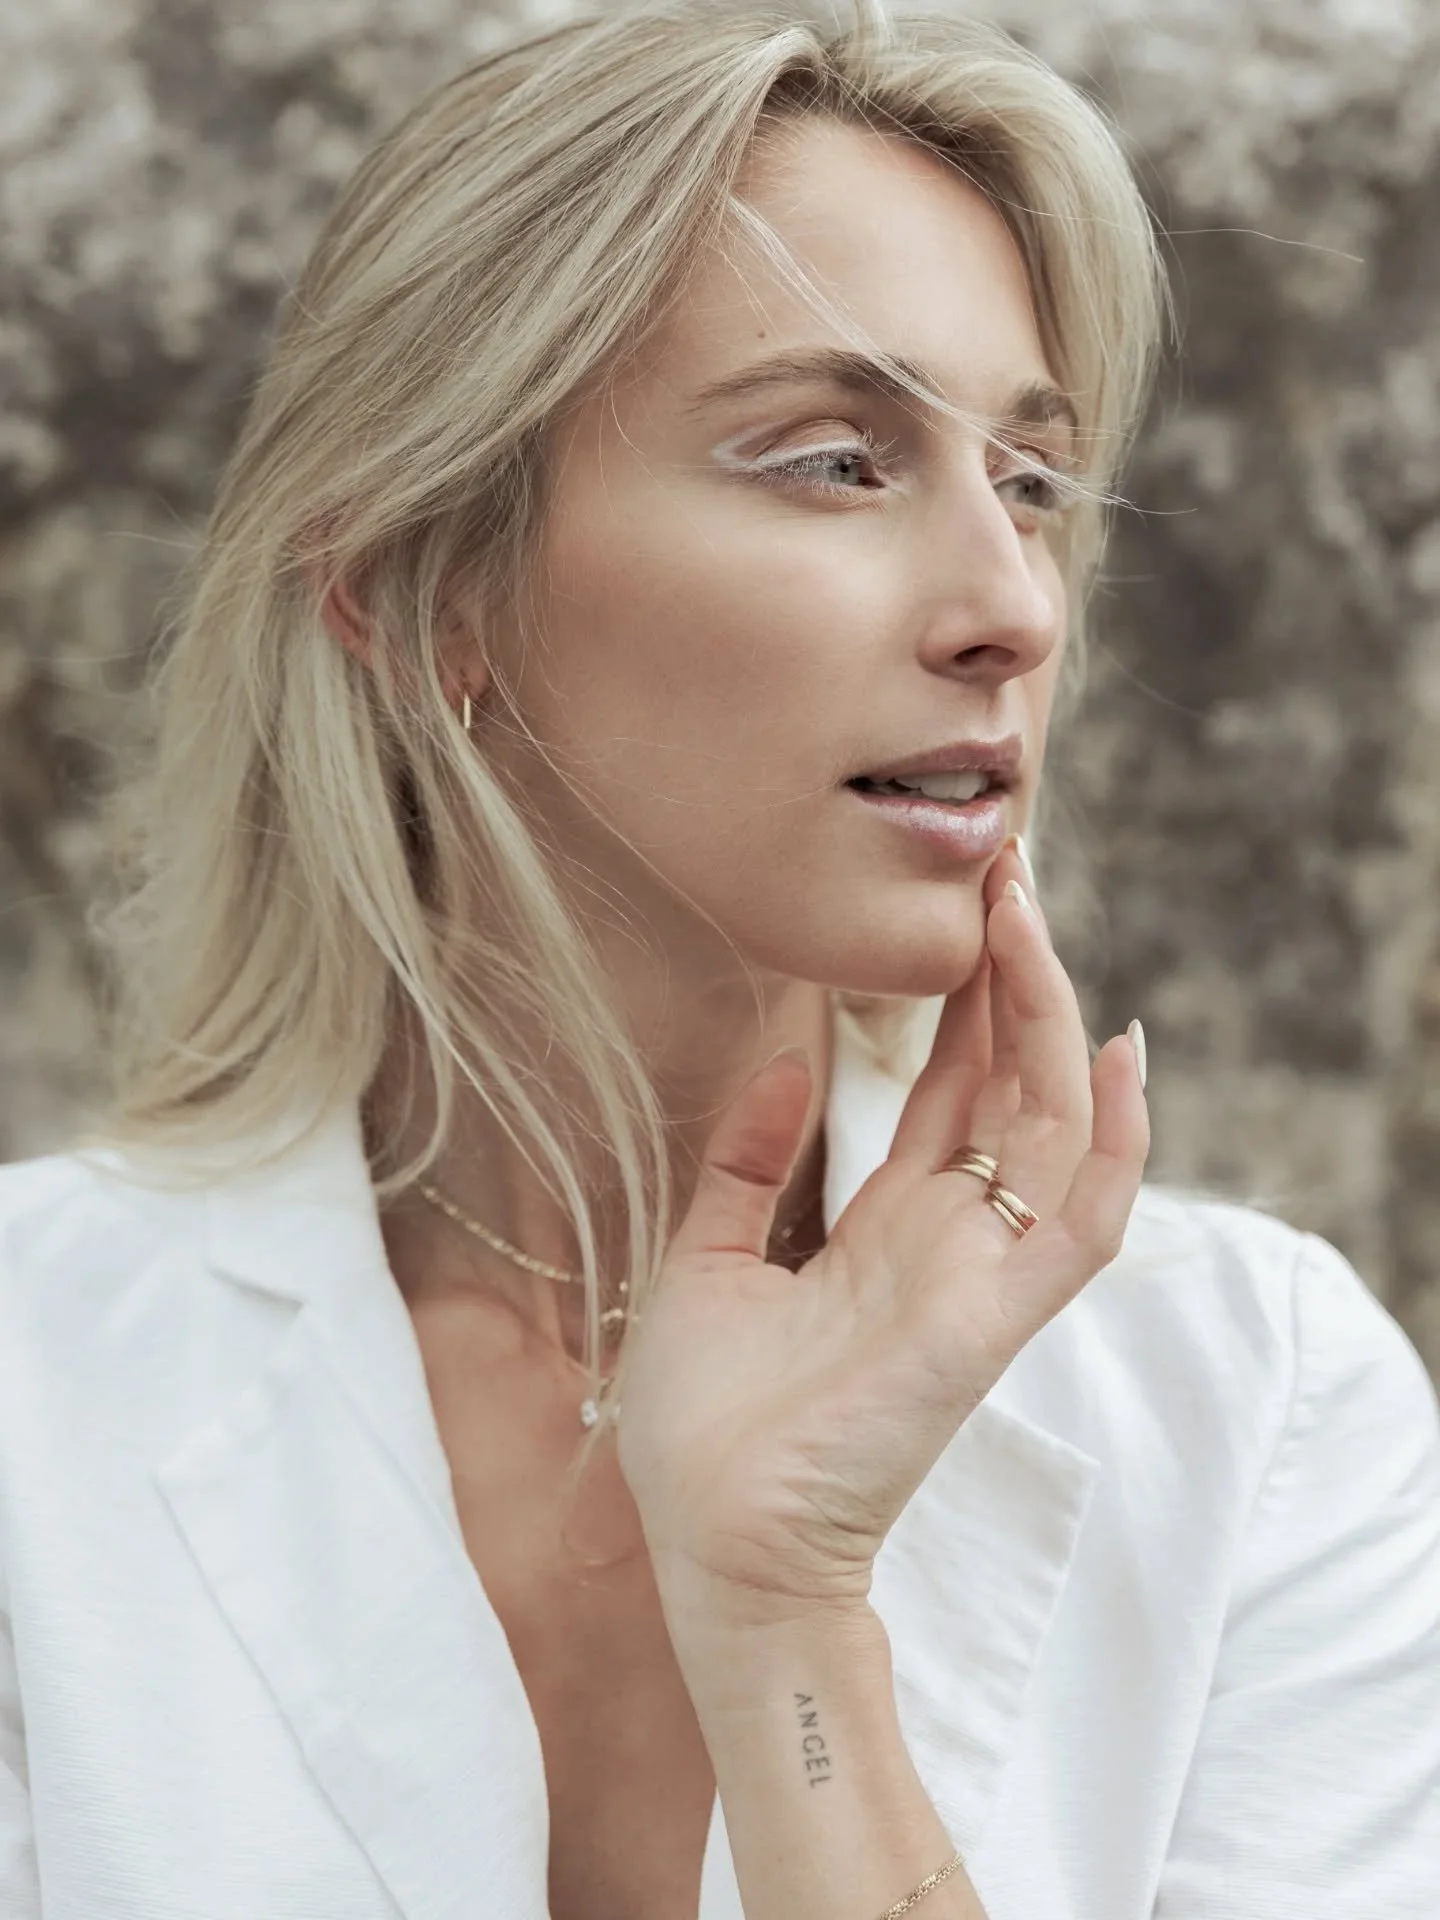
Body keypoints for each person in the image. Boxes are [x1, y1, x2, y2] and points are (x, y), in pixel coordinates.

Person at [1, 3, 1436, 1916]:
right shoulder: (36, 1385)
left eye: (1031, 480)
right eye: (837, 460)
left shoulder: (1257, 1405)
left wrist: (785, 1619)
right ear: (422, 589)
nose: (1013, 608)